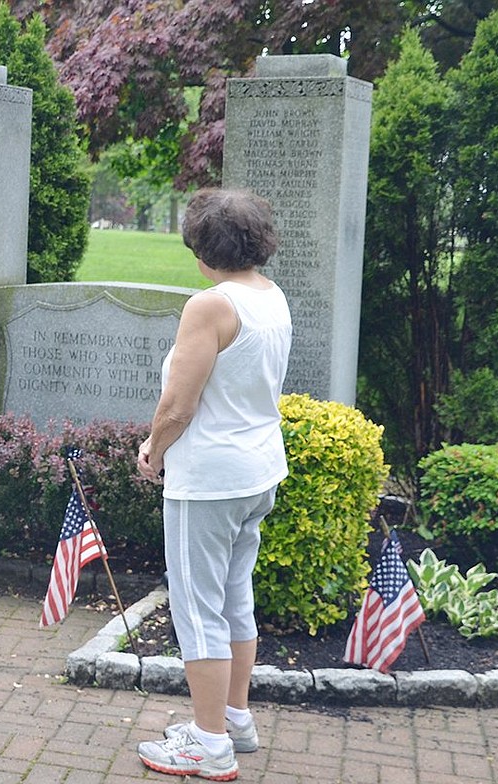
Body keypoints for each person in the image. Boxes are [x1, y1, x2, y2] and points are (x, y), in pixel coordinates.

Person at [135, 188, 291, 780]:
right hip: (257, 470)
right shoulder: (270, 296)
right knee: (233, 597)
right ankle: (234, 717)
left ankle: (209, 742)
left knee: (197, 607)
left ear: (202, 250)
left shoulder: (210, 306)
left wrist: (154, 449)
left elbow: (179, 405)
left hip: (210, 479)